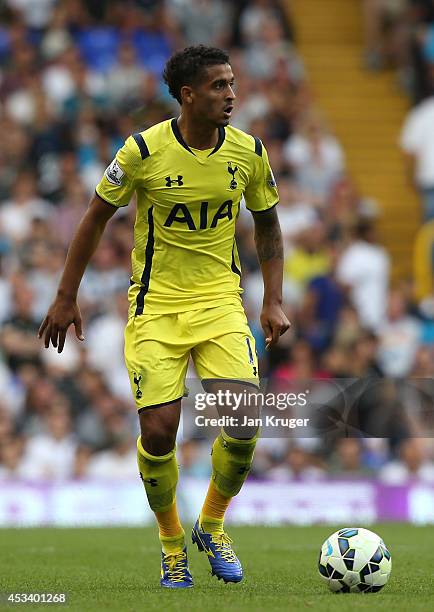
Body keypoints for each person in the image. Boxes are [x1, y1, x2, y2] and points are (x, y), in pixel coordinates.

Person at [38, 45, 289, 589]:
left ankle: (212, 525)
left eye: (232, 83)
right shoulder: (141, 152)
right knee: (159, 428)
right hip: (155, 307)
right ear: (188, 94)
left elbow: (267, 222)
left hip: (222, 301)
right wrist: (65, 295)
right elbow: (93, 218)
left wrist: (272, 298)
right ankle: (172, 542)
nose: (231, 95)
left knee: (243, 421)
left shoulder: (249, 152)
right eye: (219, 86)